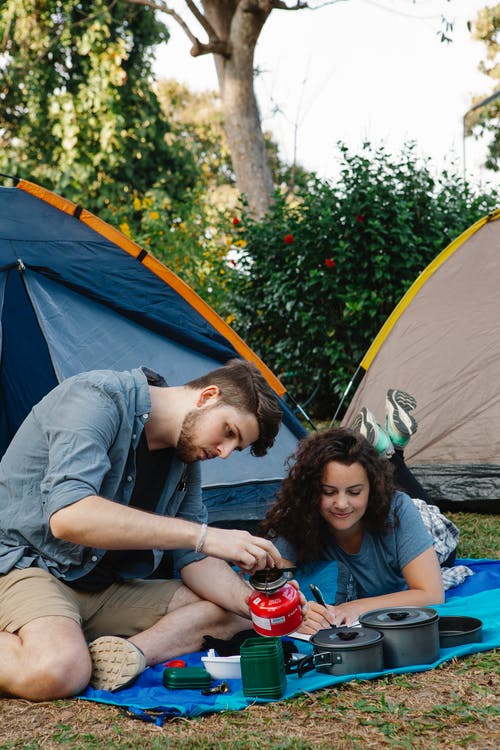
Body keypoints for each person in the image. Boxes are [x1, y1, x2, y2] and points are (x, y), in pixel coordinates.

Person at [0, 359, 294, 700]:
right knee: (59, 669)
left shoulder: (184, 458)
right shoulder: (97, 398)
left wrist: (264, 605)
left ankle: (125, 655)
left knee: (239, 616)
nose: (225, 452)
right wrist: (206, 536)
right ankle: (66, 654)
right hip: (24, 568)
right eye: (229, 432)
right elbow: (70, 515)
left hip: (101, 588)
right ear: (207, 396)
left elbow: (193, 558)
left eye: (236, 447)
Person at [261, 423, 446, 635]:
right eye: (329, 492)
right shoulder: (298, 516)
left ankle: (395, 452)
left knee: (443, 552)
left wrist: (355, 608)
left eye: (354, 492)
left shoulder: (398, 510)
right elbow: (272, 588)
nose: (341, 503)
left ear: (372, 489)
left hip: (431, 529)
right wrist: (298, 613)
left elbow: (431, 593)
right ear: (311, 491)